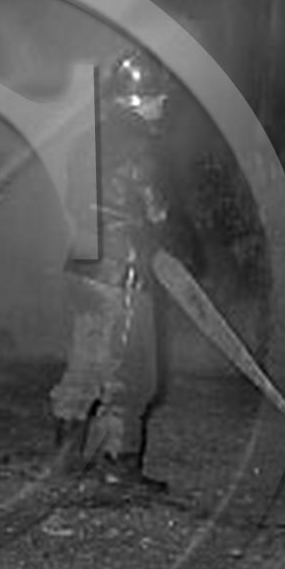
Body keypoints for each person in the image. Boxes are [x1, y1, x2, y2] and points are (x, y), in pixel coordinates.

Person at [50, 49, 172, 487]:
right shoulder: (143, 145)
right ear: (138, 98)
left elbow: (73, 201)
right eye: (158, 97)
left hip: (83, 260)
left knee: (84, 361)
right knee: (130, 371)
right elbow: (155, 210)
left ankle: (65, 459)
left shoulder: (87, 139)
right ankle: (119, 468)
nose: (163, 106)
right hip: (123, 268)